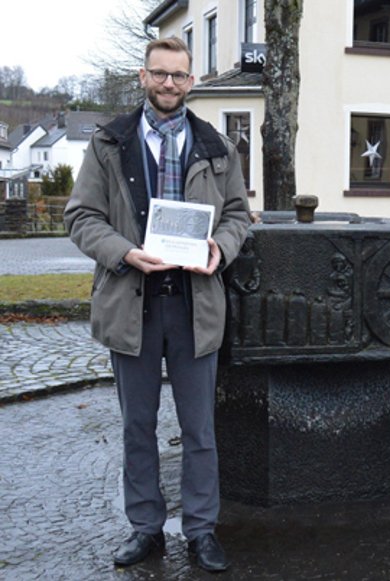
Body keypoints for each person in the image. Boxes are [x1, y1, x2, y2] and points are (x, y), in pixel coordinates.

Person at [64, 37, 251, 572]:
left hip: (195, 305)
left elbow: (238, 215)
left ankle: (200, 530)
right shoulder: (108, 143)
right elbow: (80, 216)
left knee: (199, 429)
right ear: (142, 77)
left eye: (179, 75)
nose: (170, 83)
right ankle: (145, 528)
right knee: (137, 426)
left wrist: (223, 247)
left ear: (192, 82)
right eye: (160, 74)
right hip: (132, 302)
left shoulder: (218, 146)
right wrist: (123, 252)